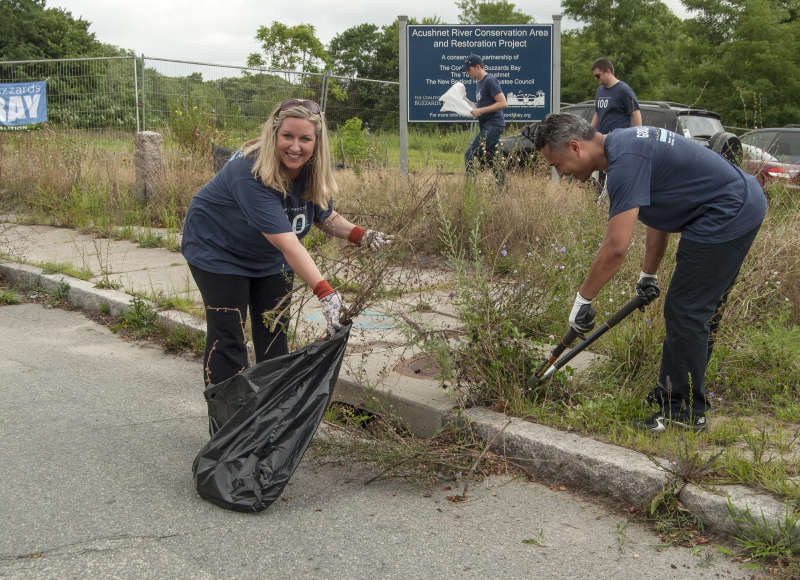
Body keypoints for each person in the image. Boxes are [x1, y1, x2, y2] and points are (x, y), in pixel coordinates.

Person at [533, 113, 767, 432]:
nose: (560, 173)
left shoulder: (624, 163)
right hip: (736, 203)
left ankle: (680, 413)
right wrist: (648, 275)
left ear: (575, 147)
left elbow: (616, 247)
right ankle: (677, 398)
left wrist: (582, 300)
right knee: (695, 312)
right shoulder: (625, 146)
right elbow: (659, 212)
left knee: (687, 311)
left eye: (557, 165)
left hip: (728, 211)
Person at [181, 98, 392, 389]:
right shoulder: (250, 171)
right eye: (287, 136)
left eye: (305, 139)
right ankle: (231, 426)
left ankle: (269, 415)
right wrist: (326, 294)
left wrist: (362, 235)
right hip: (217, 250)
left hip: (267, 255)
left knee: (274, 331)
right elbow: (290, 245)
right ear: (274, 134)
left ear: (317, 142)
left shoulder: (311, 168)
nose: (295, 146)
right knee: (229, 336)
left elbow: (324, 215)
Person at [463, 53, 508, 183]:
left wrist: (480, 110)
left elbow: (503, 103)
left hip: (494, 124)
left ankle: (470, 187)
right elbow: (482, 104)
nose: (467, 73)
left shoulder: (490, 80)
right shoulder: (479, 84)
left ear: (478, 67)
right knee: (492, 157)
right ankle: (503, 187)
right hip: (487, 125)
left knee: (470, 154)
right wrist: (467, 104)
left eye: (468, 69)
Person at [590, 58, 642, 134]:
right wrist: (590, 132)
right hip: (602, 140)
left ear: (608, 71)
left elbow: (636, 113)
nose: (595, 78)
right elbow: (598, 113)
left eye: (598, 76)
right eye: (594, 76)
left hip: (619, 140)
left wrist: (636, 137)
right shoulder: (599, 90)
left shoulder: (623, 89)